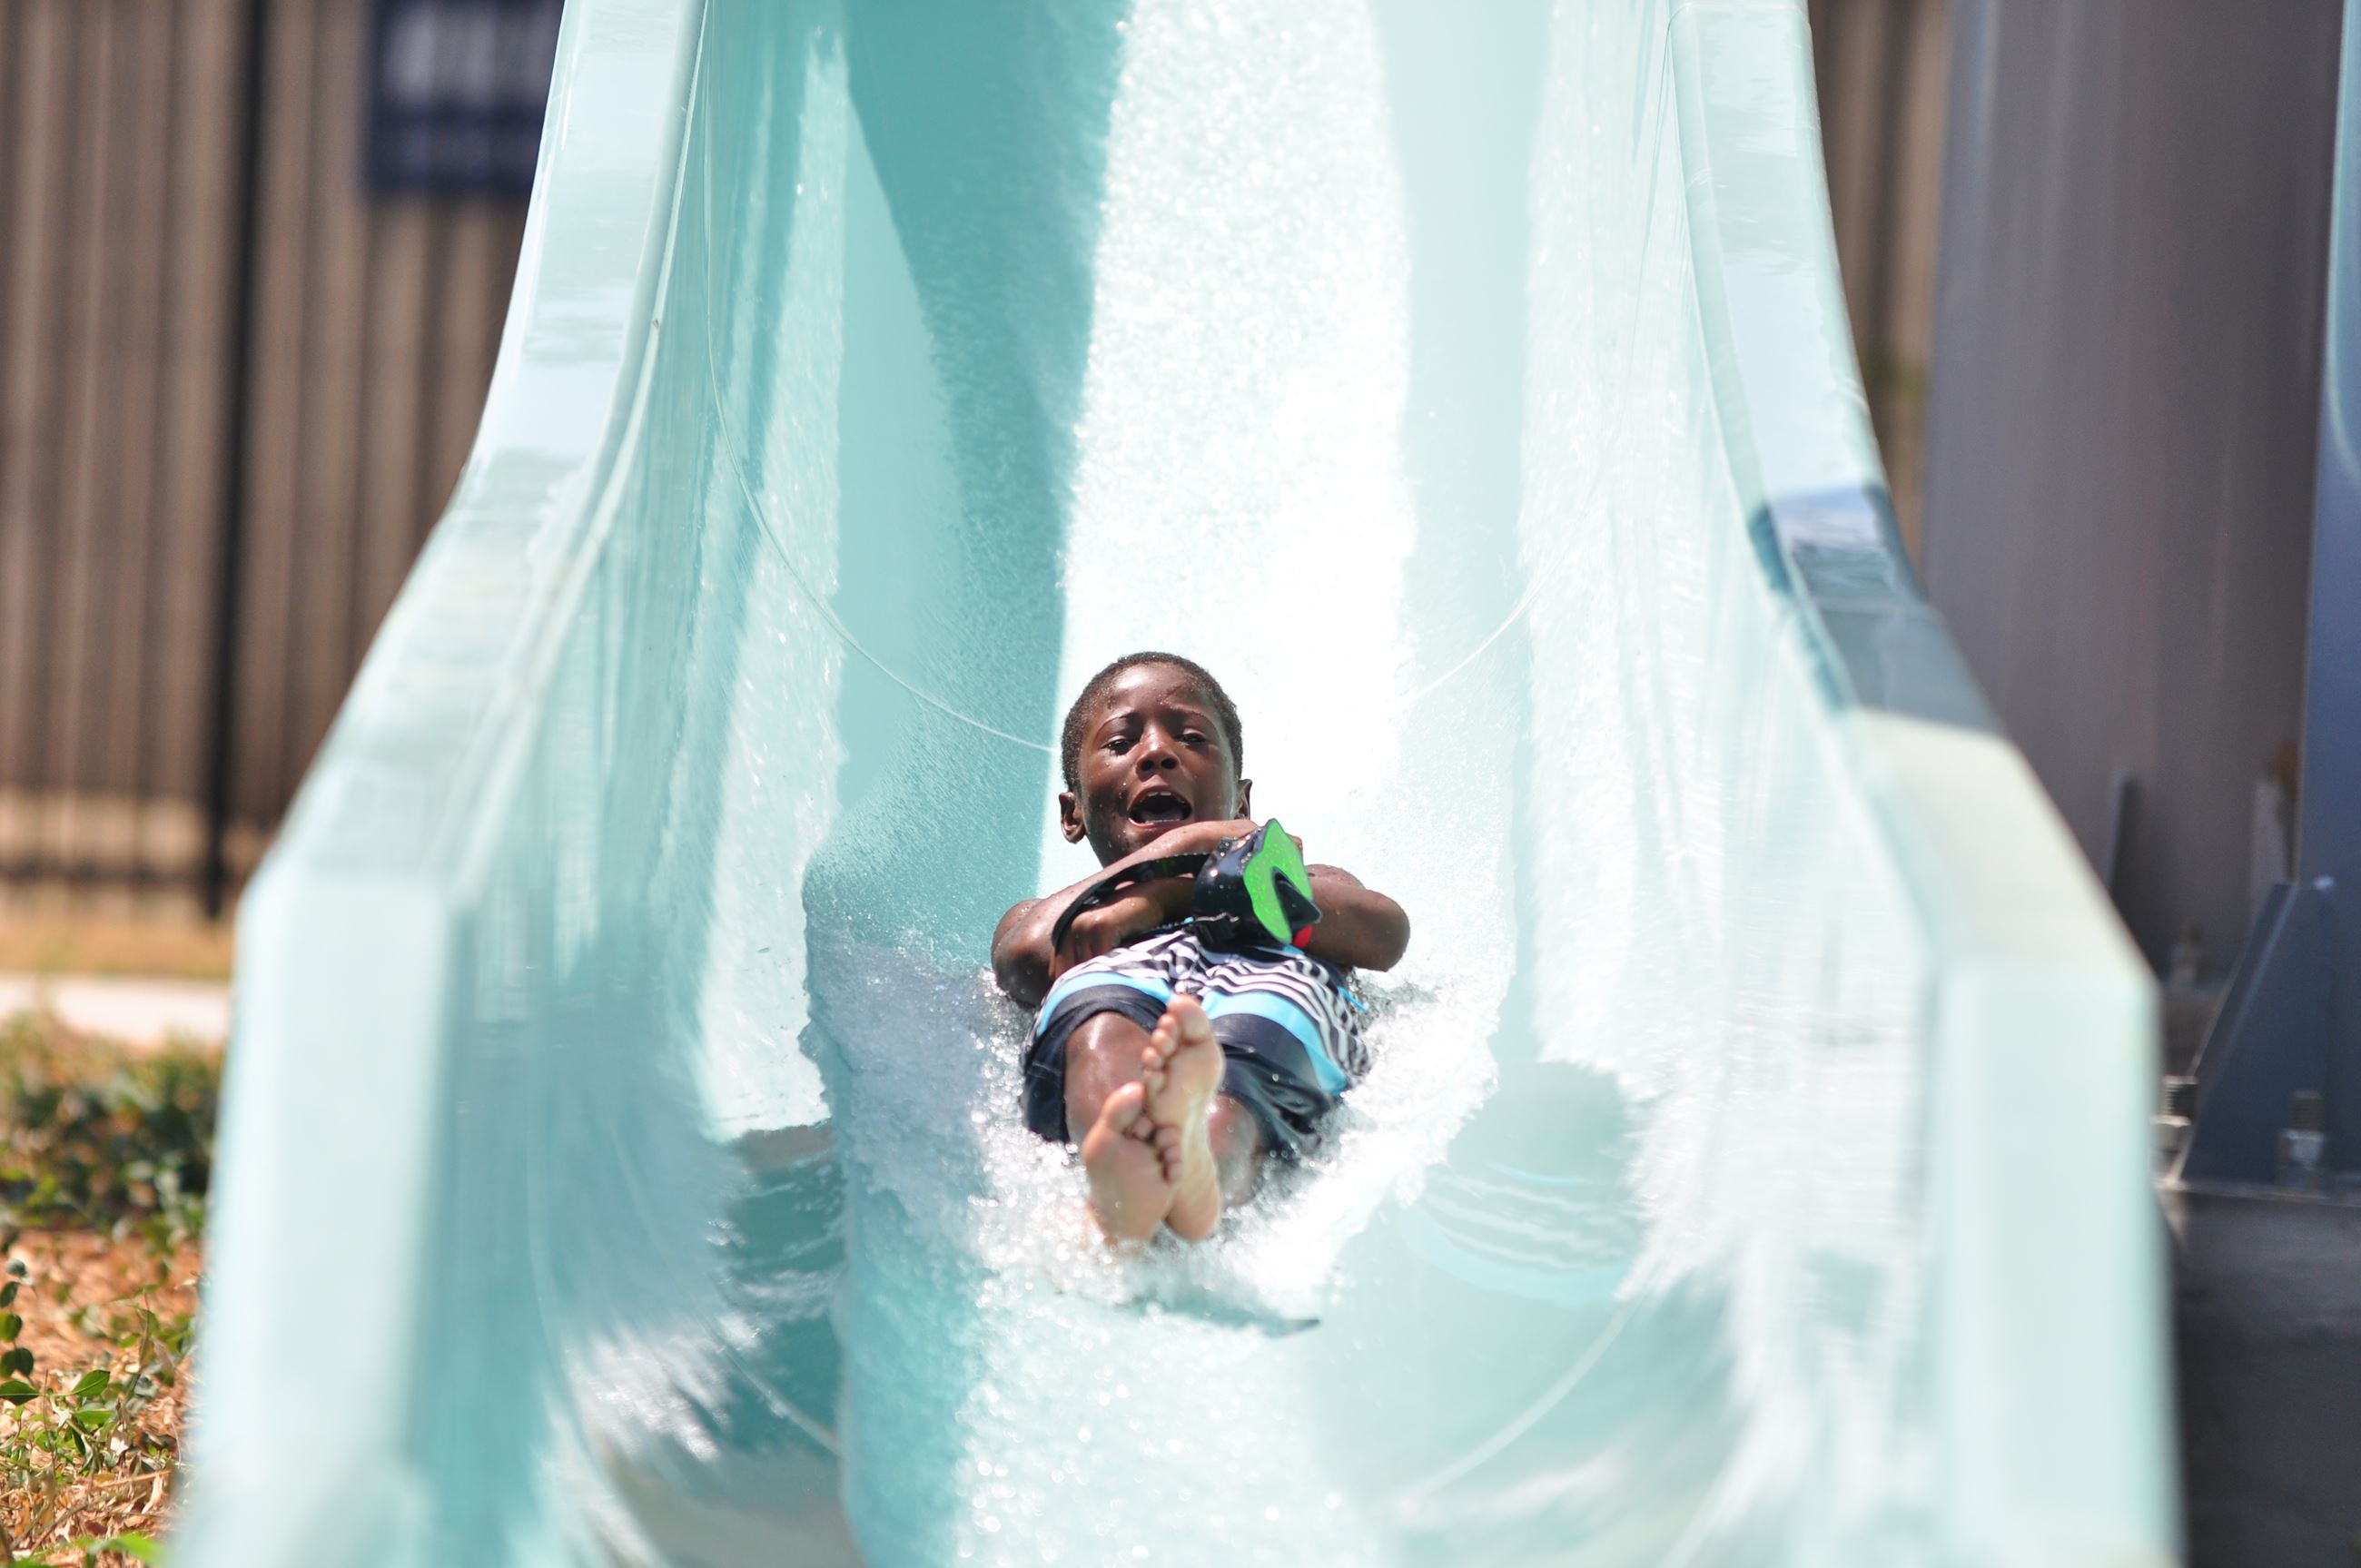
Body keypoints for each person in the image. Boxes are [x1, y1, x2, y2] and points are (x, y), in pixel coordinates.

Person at [992, 652, 1410, 1244]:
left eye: (1191, 737)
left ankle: (1199, 1177)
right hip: (1123, 977)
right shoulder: (1049, 911)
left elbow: (1384, 932)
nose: (1157, 753)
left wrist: (1155, 902)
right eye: (1120, 743)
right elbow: (1028, 955)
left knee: (1254, 1043)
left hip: (1266, 974)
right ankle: (1127, 1160)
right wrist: (1200, 846)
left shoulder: (1309, 874)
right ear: (1072, 812)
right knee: (1100, 1028)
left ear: (1243, 802)